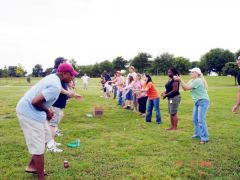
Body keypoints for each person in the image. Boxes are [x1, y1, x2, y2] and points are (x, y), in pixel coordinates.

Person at [16, 63, 78, 179]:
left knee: (45, 137)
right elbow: (35, 101)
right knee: (38, 147)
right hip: (28, 113)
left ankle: (32, 166)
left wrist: (47, 109)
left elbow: (41, 99)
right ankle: (41, 177)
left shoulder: (53, 78)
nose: (73, 77)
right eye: (71, 75)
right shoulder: (55, 85)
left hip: (35, 112)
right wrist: (48, 112)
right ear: (64, 73)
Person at [174, 67, 210, 144]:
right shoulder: (192, 80)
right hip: (197, 102)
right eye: (191, 72)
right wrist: (180, 81)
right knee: (195, 119)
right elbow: (185, 88)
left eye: (192, 72)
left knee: (201, 120)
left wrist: (180, 80)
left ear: (197, 73)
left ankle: (205, 138)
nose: (191, 73)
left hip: (203, 101)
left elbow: (187, 88)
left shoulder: (198, 80)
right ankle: (197, 134)